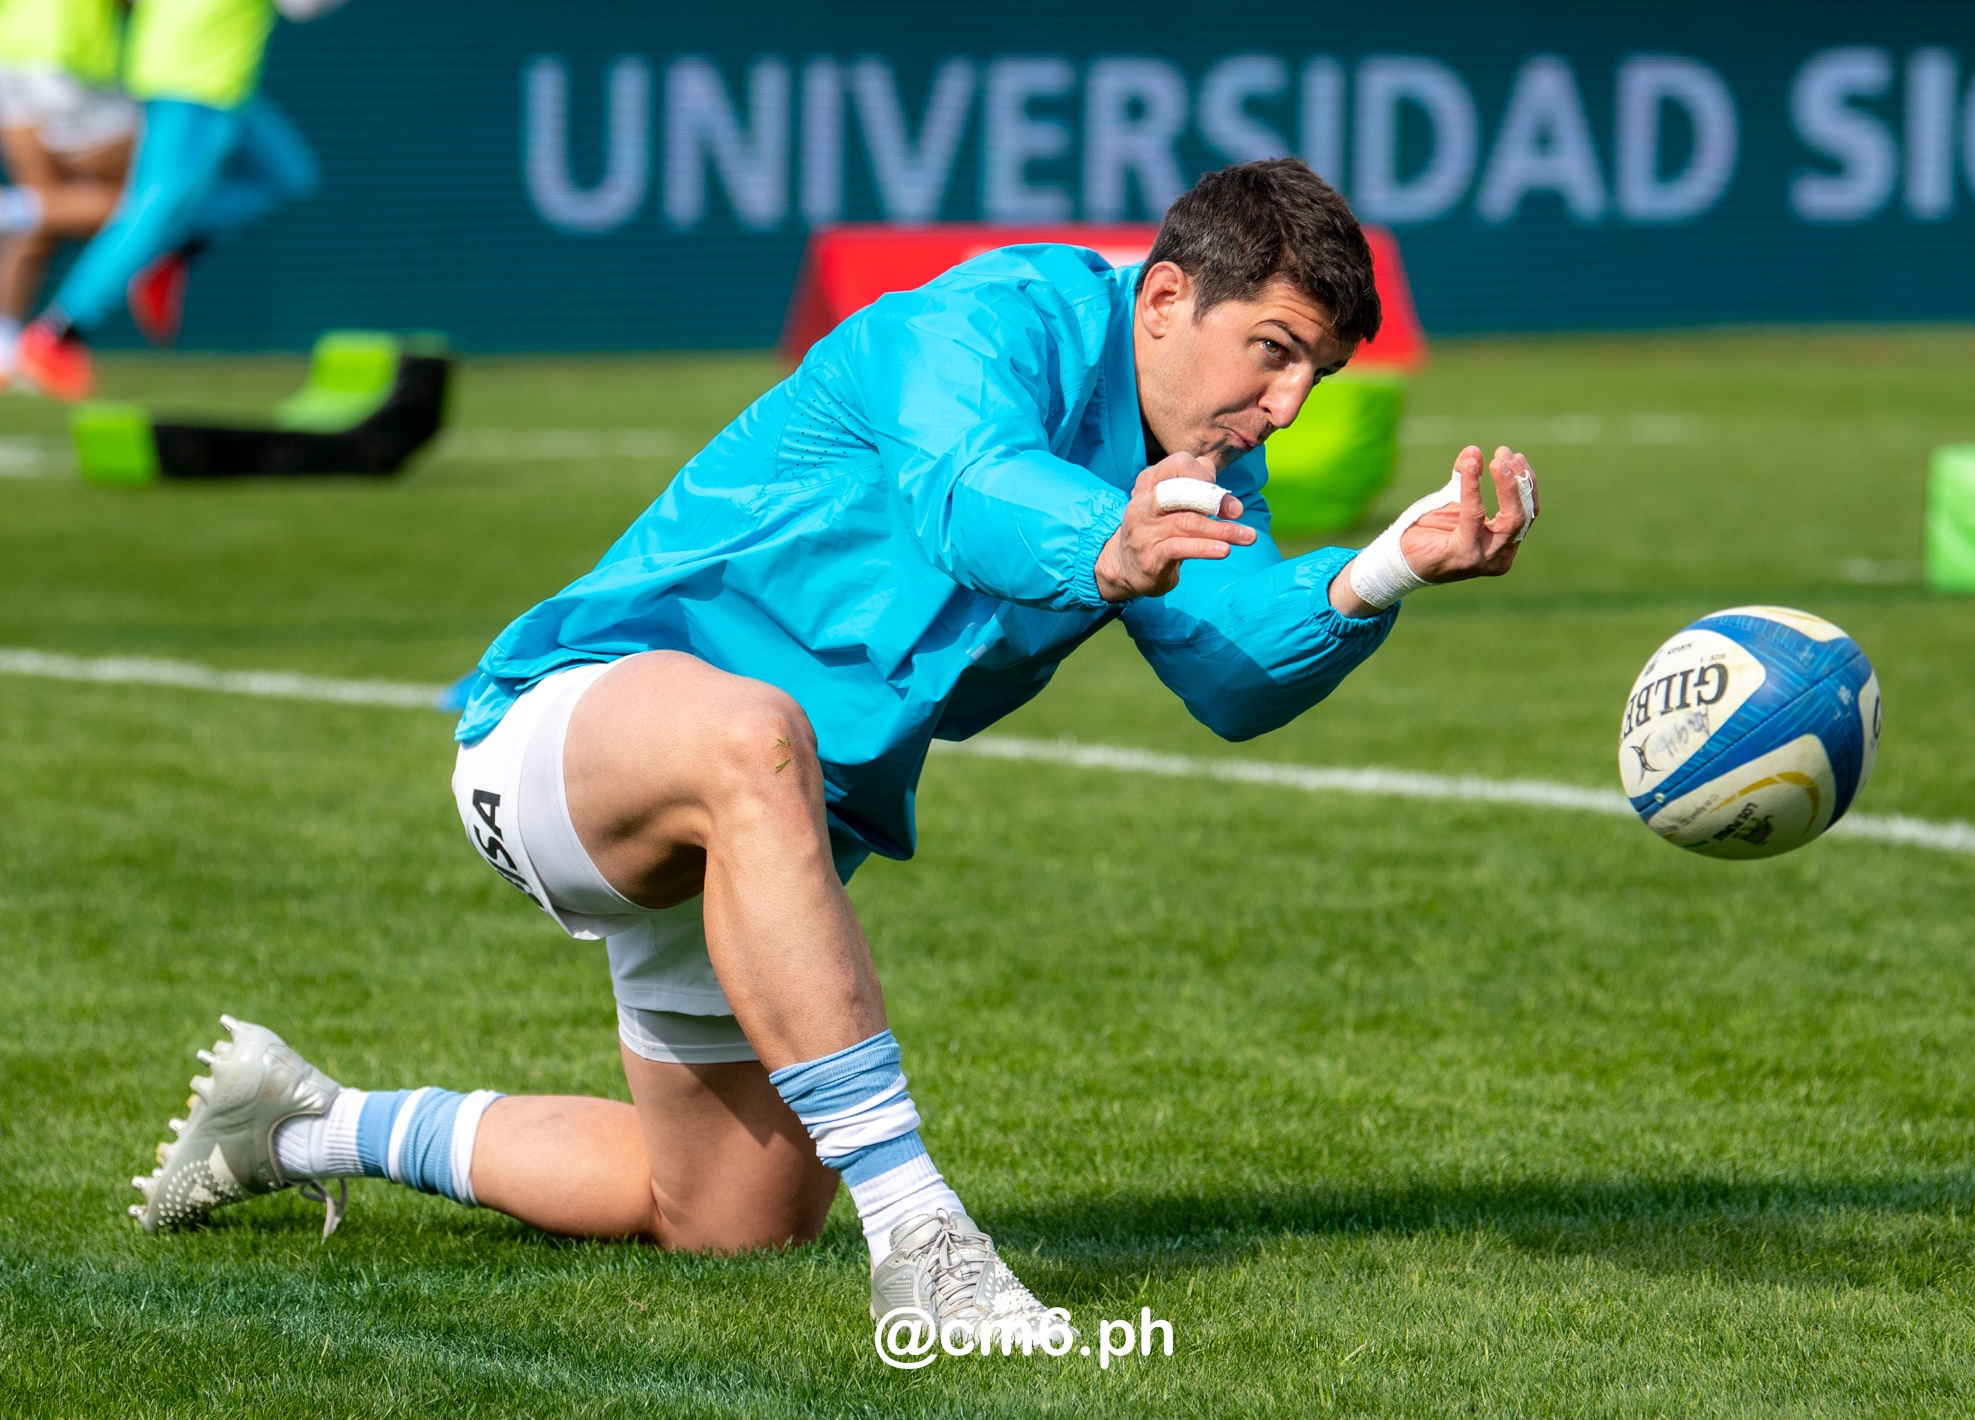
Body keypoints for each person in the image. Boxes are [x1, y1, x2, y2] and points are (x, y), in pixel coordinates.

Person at [129, 160, 1540, 1333]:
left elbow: (1230, 666)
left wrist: (1383, 573)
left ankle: (307, 1126)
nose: (1286, 405)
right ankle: (923, 1240)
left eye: (1317, 372)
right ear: (1167, 297)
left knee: (727, 1222)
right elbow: (962, 484)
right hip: (574, 732)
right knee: (757, 730)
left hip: (772, 837)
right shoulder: (990, 318)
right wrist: (1103, 542)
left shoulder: (1206, 459)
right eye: (1275, 353)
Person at [14, 0, 342, 400]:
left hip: (208, 72)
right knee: (160, 204)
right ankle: (59, 331)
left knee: (285, 175)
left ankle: (168, 253)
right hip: (197, 75)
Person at [0, 0, 136, 381]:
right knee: (144, 200)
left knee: (42, 202)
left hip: (8, 54)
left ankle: (4, 349)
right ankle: (10, 208)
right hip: (67, 59)